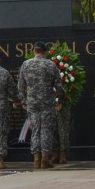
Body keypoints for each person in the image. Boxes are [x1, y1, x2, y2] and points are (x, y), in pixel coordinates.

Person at [17, 40, 64, 170]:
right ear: (45, 52)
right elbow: (58, 86)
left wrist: (23, 101)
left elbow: (20, 86)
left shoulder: (25, 64)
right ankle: (45, 158)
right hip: (47, 102)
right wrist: (60, 100)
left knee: (35, 130)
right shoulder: (50, 65)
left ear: (34, 51)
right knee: (46, 130)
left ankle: (36, 159)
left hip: (32, 102)